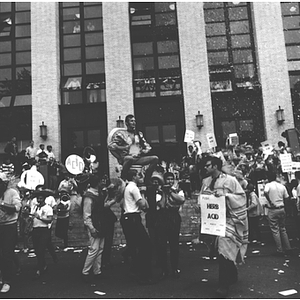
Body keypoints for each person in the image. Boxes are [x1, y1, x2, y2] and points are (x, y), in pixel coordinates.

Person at [199, 156, 248, 298]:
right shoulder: (206, 181)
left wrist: (226, 195)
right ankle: (232, 274)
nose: (205, 168)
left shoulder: (230, 180)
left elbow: (241, 197)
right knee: (219, 251)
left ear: (215, 166)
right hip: (213, 221)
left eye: (208, 165)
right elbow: (203, 197)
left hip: (229, 220)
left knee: (224, 249)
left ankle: (223, 286)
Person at [120, 169, 154, 285]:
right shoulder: (134, 188)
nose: (142, 178)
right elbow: (143, 205)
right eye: (140, 176)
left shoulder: (126, 187)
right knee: (146, 245)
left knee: (135, 245)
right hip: (133, 218)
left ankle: (135, 270)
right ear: (135, 176)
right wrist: (143, 194)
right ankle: (143, 273)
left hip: (127, 218)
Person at [108, 114, 158, 182]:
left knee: (155, 158)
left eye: (134, 121)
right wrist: (123, 148)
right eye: (131, 121)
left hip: (138, 158)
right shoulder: (121, 134)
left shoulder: (139, 134)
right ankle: (123, 179)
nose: (134, 123)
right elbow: (111, 146)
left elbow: (148, 146)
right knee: (129, 158)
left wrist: (145, 151)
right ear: (126, 123)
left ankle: (147, 179)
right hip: (126, 158)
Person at [155, 171, 185, 279]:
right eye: (168, 179)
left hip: (174, 217)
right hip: (162, 217)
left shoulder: (178, 191)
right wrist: (164, 193)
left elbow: (181, 200)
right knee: (162, 244)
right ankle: (164, 269)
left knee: (174, 244)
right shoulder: (158, 192)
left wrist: (171, 192)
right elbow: (162, 205)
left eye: (172, 179)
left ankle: (174, 268)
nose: (170, 181)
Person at [81, 174, 105, 283]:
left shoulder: (98, 194)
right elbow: (86, 215)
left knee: (99, 249)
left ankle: (97, 271)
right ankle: (85, 272)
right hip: (94, 224)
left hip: (100, 223)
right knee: (94, 249)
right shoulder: (88, 196)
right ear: (97, 182)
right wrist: (91, 228)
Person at [0, 173, 22, 293]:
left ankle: (7, 280)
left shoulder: (12, 192)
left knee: (6, 254)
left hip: (9, 226)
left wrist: (2, 204)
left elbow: (17, 207)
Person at [264, 172, 294, 256]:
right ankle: (288, 248)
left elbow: (266, 192)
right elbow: (287, 198)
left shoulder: (268, 185)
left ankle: (279, 249)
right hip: (281, 208)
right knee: (283, 229)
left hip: (273, 209)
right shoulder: (282, 186)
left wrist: (270, 202)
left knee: (275, 230)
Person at [30, 188, 54, 280]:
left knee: (41, 249)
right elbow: (31, 216)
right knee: (36, 250)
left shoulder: (48, 208)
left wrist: (39, 217)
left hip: (44, 230)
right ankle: (43, 264)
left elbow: (49, 220)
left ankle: (40, 268)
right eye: (38, 199)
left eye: (41, 198)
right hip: (35, 230)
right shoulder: (34, 207)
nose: (39, 200)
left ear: (44, 199)